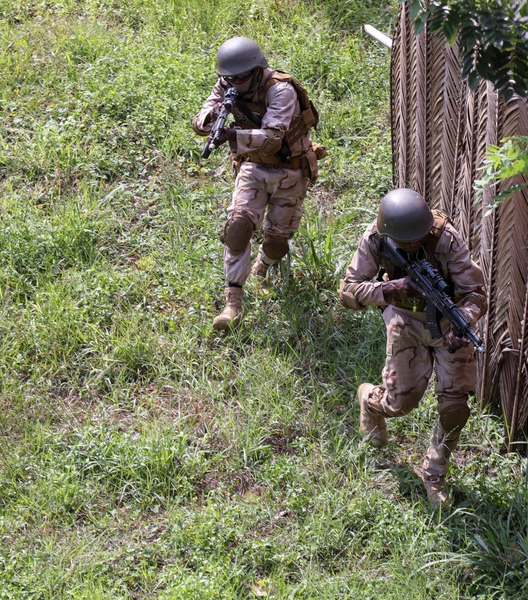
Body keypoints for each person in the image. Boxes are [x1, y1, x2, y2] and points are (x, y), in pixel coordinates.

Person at [338, 188, 487, 506]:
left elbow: (476, 291)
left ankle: (434, 475)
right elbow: (348, 291)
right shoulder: (376, 239)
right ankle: (370, 400)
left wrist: (463, 320)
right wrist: (392, 287)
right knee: (401, 403)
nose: (414, 245)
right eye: (407, 242)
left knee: (454, 409)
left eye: (419, 238)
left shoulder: (446, 238)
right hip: (404, 322)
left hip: (450, 324)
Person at [192, 36, 321, 331]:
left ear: (255, 70)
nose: (233, 83)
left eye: (239, 77)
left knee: (277, 242)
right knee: (237, 229)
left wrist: (234, 137)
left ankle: (262, 269)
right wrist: (212, 119)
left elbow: (274, 137)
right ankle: (232, 304)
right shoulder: (227, 86)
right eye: (228, 78)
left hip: (290, 169)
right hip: (252, 166)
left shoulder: (281, 90)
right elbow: (201, 117)